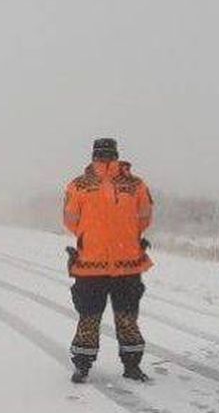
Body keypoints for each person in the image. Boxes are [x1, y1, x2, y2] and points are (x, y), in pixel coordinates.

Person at [62, 137, 153, 383]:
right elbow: (70, 221)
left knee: (124, 317)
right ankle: (83, 365)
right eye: (101, 154)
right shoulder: (79, 186)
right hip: (103, 265)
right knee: (91, 318)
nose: (103, 158)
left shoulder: (133, 185)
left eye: (106, 154)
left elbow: (145, 218)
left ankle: (130, 366)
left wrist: (97, 239)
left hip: (117, 264)